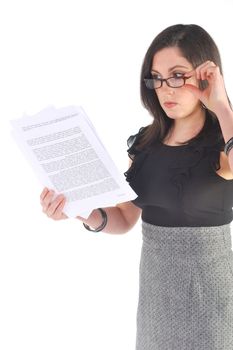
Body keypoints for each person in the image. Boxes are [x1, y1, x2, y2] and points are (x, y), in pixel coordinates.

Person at [40, 24, 233, 349]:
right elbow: (125, 218)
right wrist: (77, 210)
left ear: (206, 75)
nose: (166, 89)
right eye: (156, 78)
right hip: (156, 300)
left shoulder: (221, 140)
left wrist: (222, 105)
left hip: (211, 301)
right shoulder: (144, 143)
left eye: (177, 75)